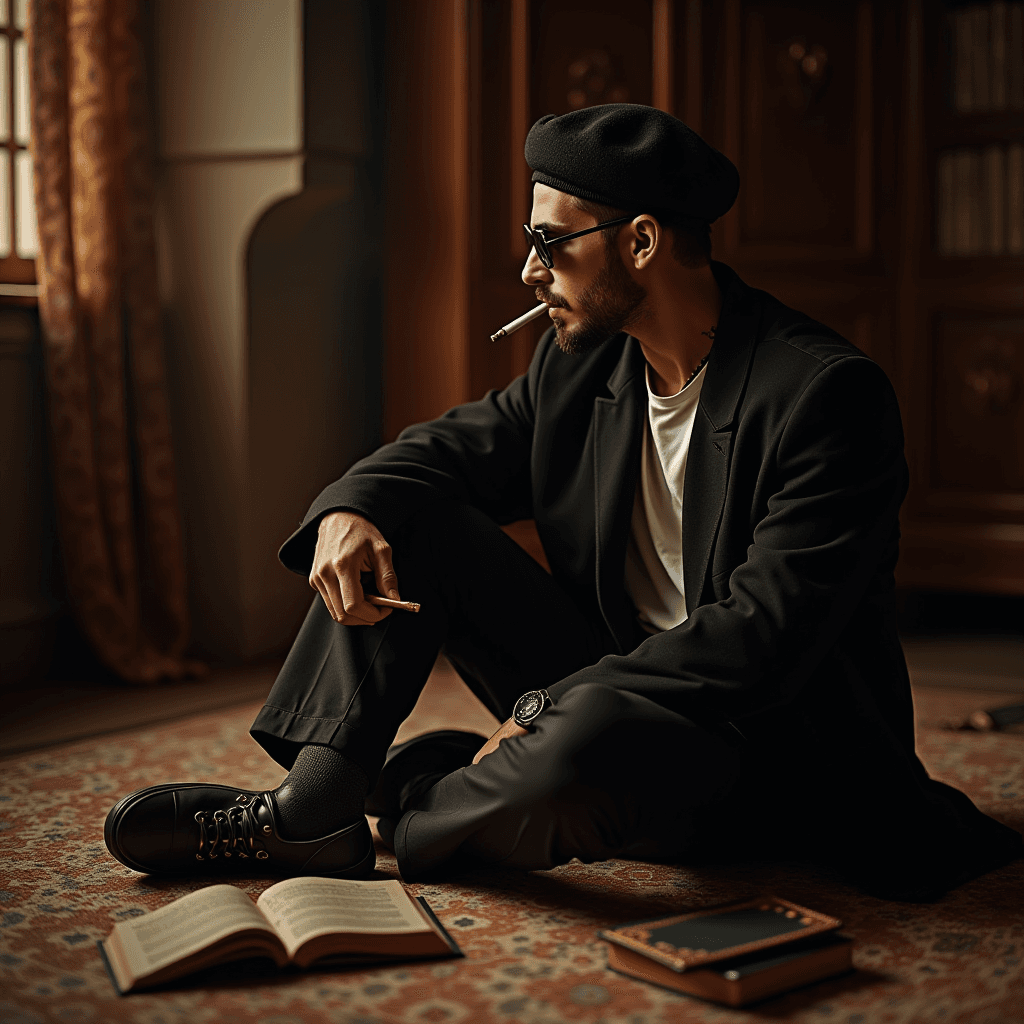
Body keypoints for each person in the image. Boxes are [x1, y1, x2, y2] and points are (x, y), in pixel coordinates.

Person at [104, 105, 1021, 900]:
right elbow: (447, 452)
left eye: (550, 242)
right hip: (612, 692)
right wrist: (353, 506)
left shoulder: (825, 396)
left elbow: (762, 639)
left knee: (589, 732)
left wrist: (542, 713)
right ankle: (318, 803)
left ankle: (422, 799)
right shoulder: (581, 368)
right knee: (412, 511)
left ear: (642, 242)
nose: (529, 272)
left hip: (763, 747)